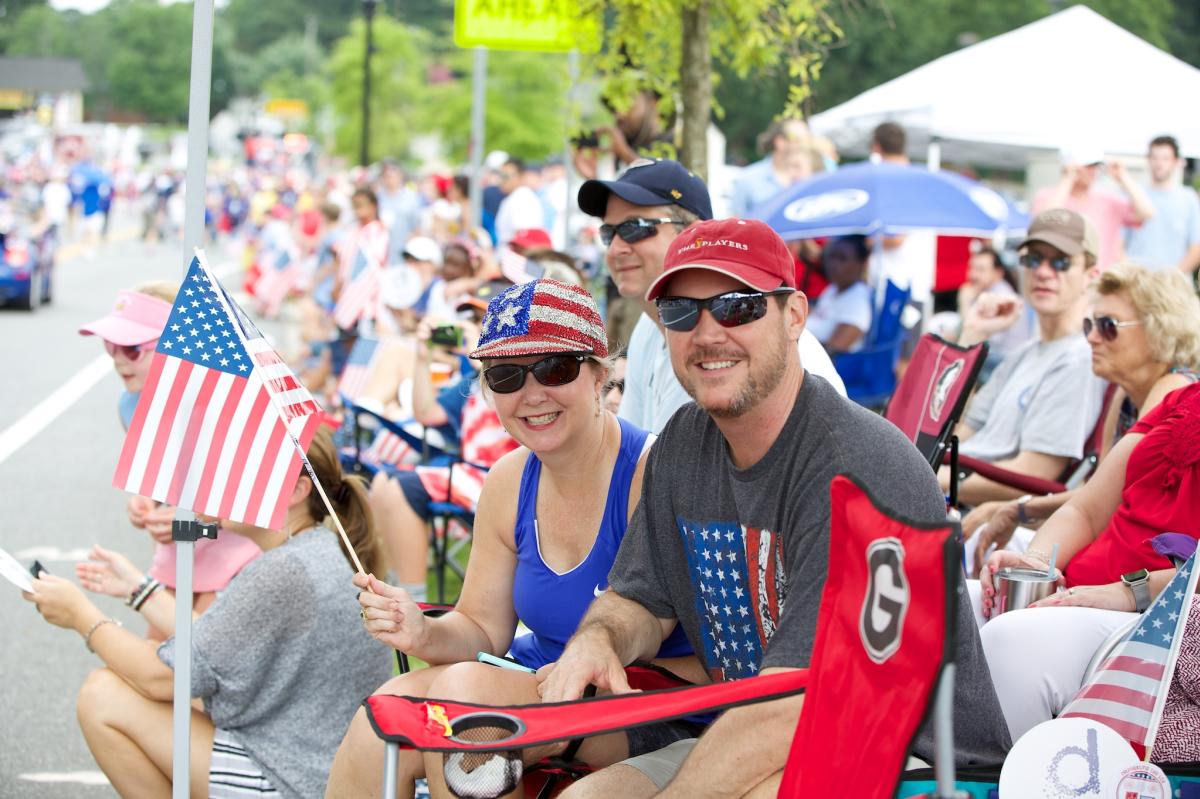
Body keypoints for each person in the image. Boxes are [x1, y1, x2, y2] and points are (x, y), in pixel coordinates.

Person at [538, 218, 1009, 798]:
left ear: (794, 317)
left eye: (737, 307)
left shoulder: (857, 469)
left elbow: (800, 702)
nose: (707, 333)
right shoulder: (686, 439)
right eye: (682, 311)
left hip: (914, 757)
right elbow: (641, 598)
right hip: (756, 731)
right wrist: (599, 638)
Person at [325, 279, 705, 799]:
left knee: (465, 703)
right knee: (382, 718)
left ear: (598, 373)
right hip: (539, 681)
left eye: (554, 368)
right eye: (505, 376)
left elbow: (707, 650)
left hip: (652, 697)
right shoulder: (508, 481)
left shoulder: (650, 473)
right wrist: (423, 633)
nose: (531, 395)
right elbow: (483, 628)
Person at [23, 427, 393, 798]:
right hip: (318, 764)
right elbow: (210, 645)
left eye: (244, 471)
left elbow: (163, 677)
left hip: (292, 778)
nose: (225, 481)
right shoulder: (314, 549)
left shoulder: (283, 571)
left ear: (297, 491)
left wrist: (80, 615)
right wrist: (139, 589)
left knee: (102, 694)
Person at [971, 380, 1200, 742]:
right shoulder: (1184, 398)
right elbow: (1086, 510)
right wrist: (1037, 563)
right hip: (1084, 588)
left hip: (1158, 612)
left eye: (1107, 324)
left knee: (1012, 640)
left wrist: (1129, 592)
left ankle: (1007, 782)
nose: (1092, 336)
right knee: (945, 596)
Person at [576, 157, 844, 435]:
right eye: (609, 233)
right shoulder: (648, 327)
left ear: (694, 234)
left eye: (636, 228)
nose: (616, 248)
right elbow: (637, 453)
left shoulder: (771, 351)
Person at [962, 263, 1200, 573]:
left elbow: (1105, 501)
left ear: (1160, 328)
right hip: (1109, 548)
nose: (1092, 338)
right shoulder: (1123, 395)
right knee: (983, 543)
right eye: (1090, 325)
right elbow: (1096, 492)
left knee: (982, 542)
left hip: (1138, 571)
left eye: (1108, 325)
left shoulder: (1175, 389)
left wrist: (1021, 509)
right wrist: (1016, 510)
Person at [78, 285, 261, 633]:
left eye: (132, 349)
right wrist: (148, 501)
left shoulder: (226, 407)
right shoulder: (130, 406)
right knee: (162, 657)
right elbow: (167, 483)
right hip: (185, 546)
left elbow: (262, 513)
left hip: (241, 548)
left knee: (200, 664)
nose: (116, 359)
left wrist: (193, 519)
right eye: (110, 345)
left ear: (178, 349)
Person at [941, 208, 1107, 507]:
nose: (1043, 272)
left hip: (977, 514)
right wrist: (972, 335)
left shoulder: (1082, 359)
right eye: (1033, 260)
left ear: (1090, 276)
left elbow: (1036, 475)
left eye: (1060, 262)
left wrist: (927, 477)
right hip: (954, 494)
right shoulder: (1023, 354)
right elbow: (955, 432)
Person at [1032, 144, 1155, 270]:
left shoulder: (1108, 200)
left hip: (1101, 280)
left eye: (1096, 166)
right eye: (1088, 166)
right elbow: (1045, 222)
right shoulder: (1048, 196)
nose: (1093, 171)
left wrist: (1123, 177)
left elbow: (1147, 212)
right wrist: (1067, 179)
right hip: (1062, 277)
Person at [1124, 135, 1200, 274]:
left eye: (1165, 158)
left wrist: (1172, 279)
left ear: (1176, 161)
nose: (1159, 163)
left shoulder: (1188, 199)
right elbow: (1119, 243)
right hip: (1135, 285)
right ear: (1148, 160)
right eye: (1154, 158)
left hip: (1173, 287)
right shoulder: (1133, 195)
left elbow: (1196, 247)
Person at [728, 118, 812, 218]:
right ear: (780, 142)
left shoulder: (813, 179)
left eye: (808, 140)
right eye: (798, 140)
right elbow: (733, 225)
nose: (805, 146)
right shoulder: (748, 179)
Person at [805, 235, 873, 353]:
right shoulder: (832, 289)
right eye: (831, 257)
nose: (833, 264)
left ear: (860, 264)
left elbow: (836, 349)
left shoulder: (858, 300)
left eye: (842, 259)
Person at [494, 158, 546, 249]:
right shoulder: (514, 197)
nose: (501, 180)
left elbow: (524, 238)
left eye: (505, 176)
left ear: (520, 176)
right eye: (500, 176)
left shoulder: (522, 199)